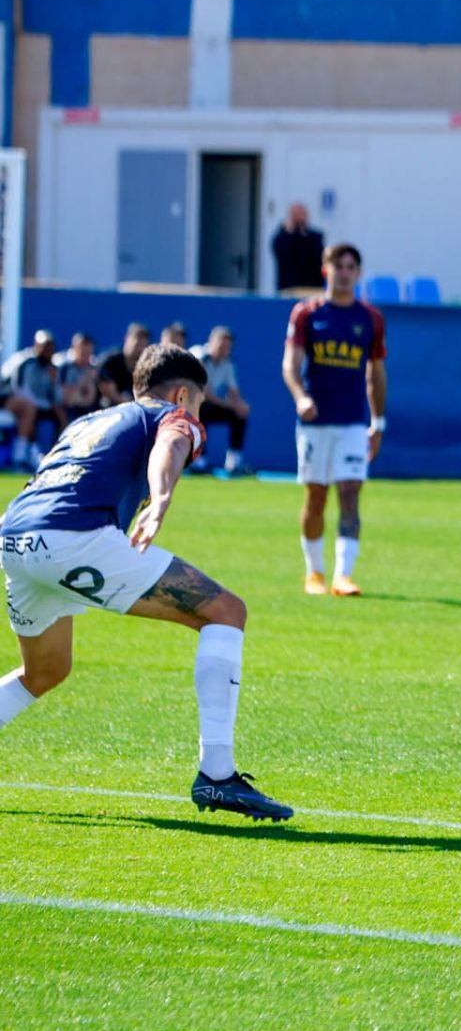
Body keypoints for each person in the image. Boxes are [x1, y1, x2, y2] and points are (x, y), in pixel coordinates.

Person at [0, 345, 290, 821]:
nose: (196, 415)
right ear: (182, 394)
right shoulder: (174, 413)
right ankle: (217, 775)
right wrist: (161, 498)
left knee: (44, 673)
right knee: (226, 612)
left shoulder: (88, 421)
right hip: (74, 538)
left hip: (15, 540)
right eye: (196, 403)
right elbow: (172, 442)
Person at [282, 243, 387, 598]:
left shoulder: (369, 318)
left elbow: (376, 373)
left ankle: (344, 576)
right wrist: (301, 397)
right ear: (326, 270)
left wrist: (378, 422)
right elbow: (290, 364)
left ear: (358, 273)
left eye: (350, 266)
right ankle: (314, 572)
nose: (344, 272)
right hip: (315, 422)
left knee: (351, 493)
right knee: (316, 496)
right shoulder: (307, 314)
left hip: (353, 422)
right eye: (338, 266)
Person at [189, 326, 252, 475]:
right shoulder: (199, 356)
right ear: (210, 341)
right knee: (201, 409)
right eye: (221, 345)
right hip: (184, 407)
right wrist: (233, 404)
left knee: (239, 415)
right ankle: (199, 461)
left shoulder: (228, 363)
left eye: (227, 347)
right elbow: (205, 394)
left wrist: (241, 405)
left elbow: (233, 392)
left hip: (206, 405)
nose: (223, 349)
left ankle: (234, 462)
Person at [3, 331, 64, 467]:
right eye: (44, 347)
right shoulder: (25, 362)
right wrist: (46, 405)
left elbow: (57, 397)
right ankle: (19, 456)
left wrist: (54, 383)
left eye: (50, 348)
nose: (47, 352)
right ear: (36, 346)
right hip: (6, 399)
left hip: (36, 406)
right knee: (29, 408)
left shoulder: (52, 368)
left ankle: (52, 454)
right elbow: (19, 391)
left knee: (60, 414)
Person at [271, 202, 325, 292]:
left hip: (312, 287)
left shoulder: (315, 237)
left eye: (301, 214)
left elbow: (318, 257)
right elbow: (281, 254)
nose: (299, 218)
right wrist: (289, 233)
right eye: (295, 215)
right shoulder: (282, 237)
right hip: (289, 287)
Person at [55, 331, 105, 421]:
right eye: (82, 352)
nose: (86, 356)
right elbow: (67, 399)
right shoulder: (63, 367)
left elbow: (91, 399)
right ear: (74, 349)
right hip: (66, 409)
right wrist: (83, 381)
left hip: (88, 409)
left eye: (88, 352)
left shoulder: (95, 367)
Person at [95, 323, 146, 405]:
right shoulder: (109, 361)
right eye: (137, 343)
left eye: (143, 344)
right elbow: (107, 391)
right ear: (126, 338)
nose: (139, 348)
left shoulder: (145, 365)